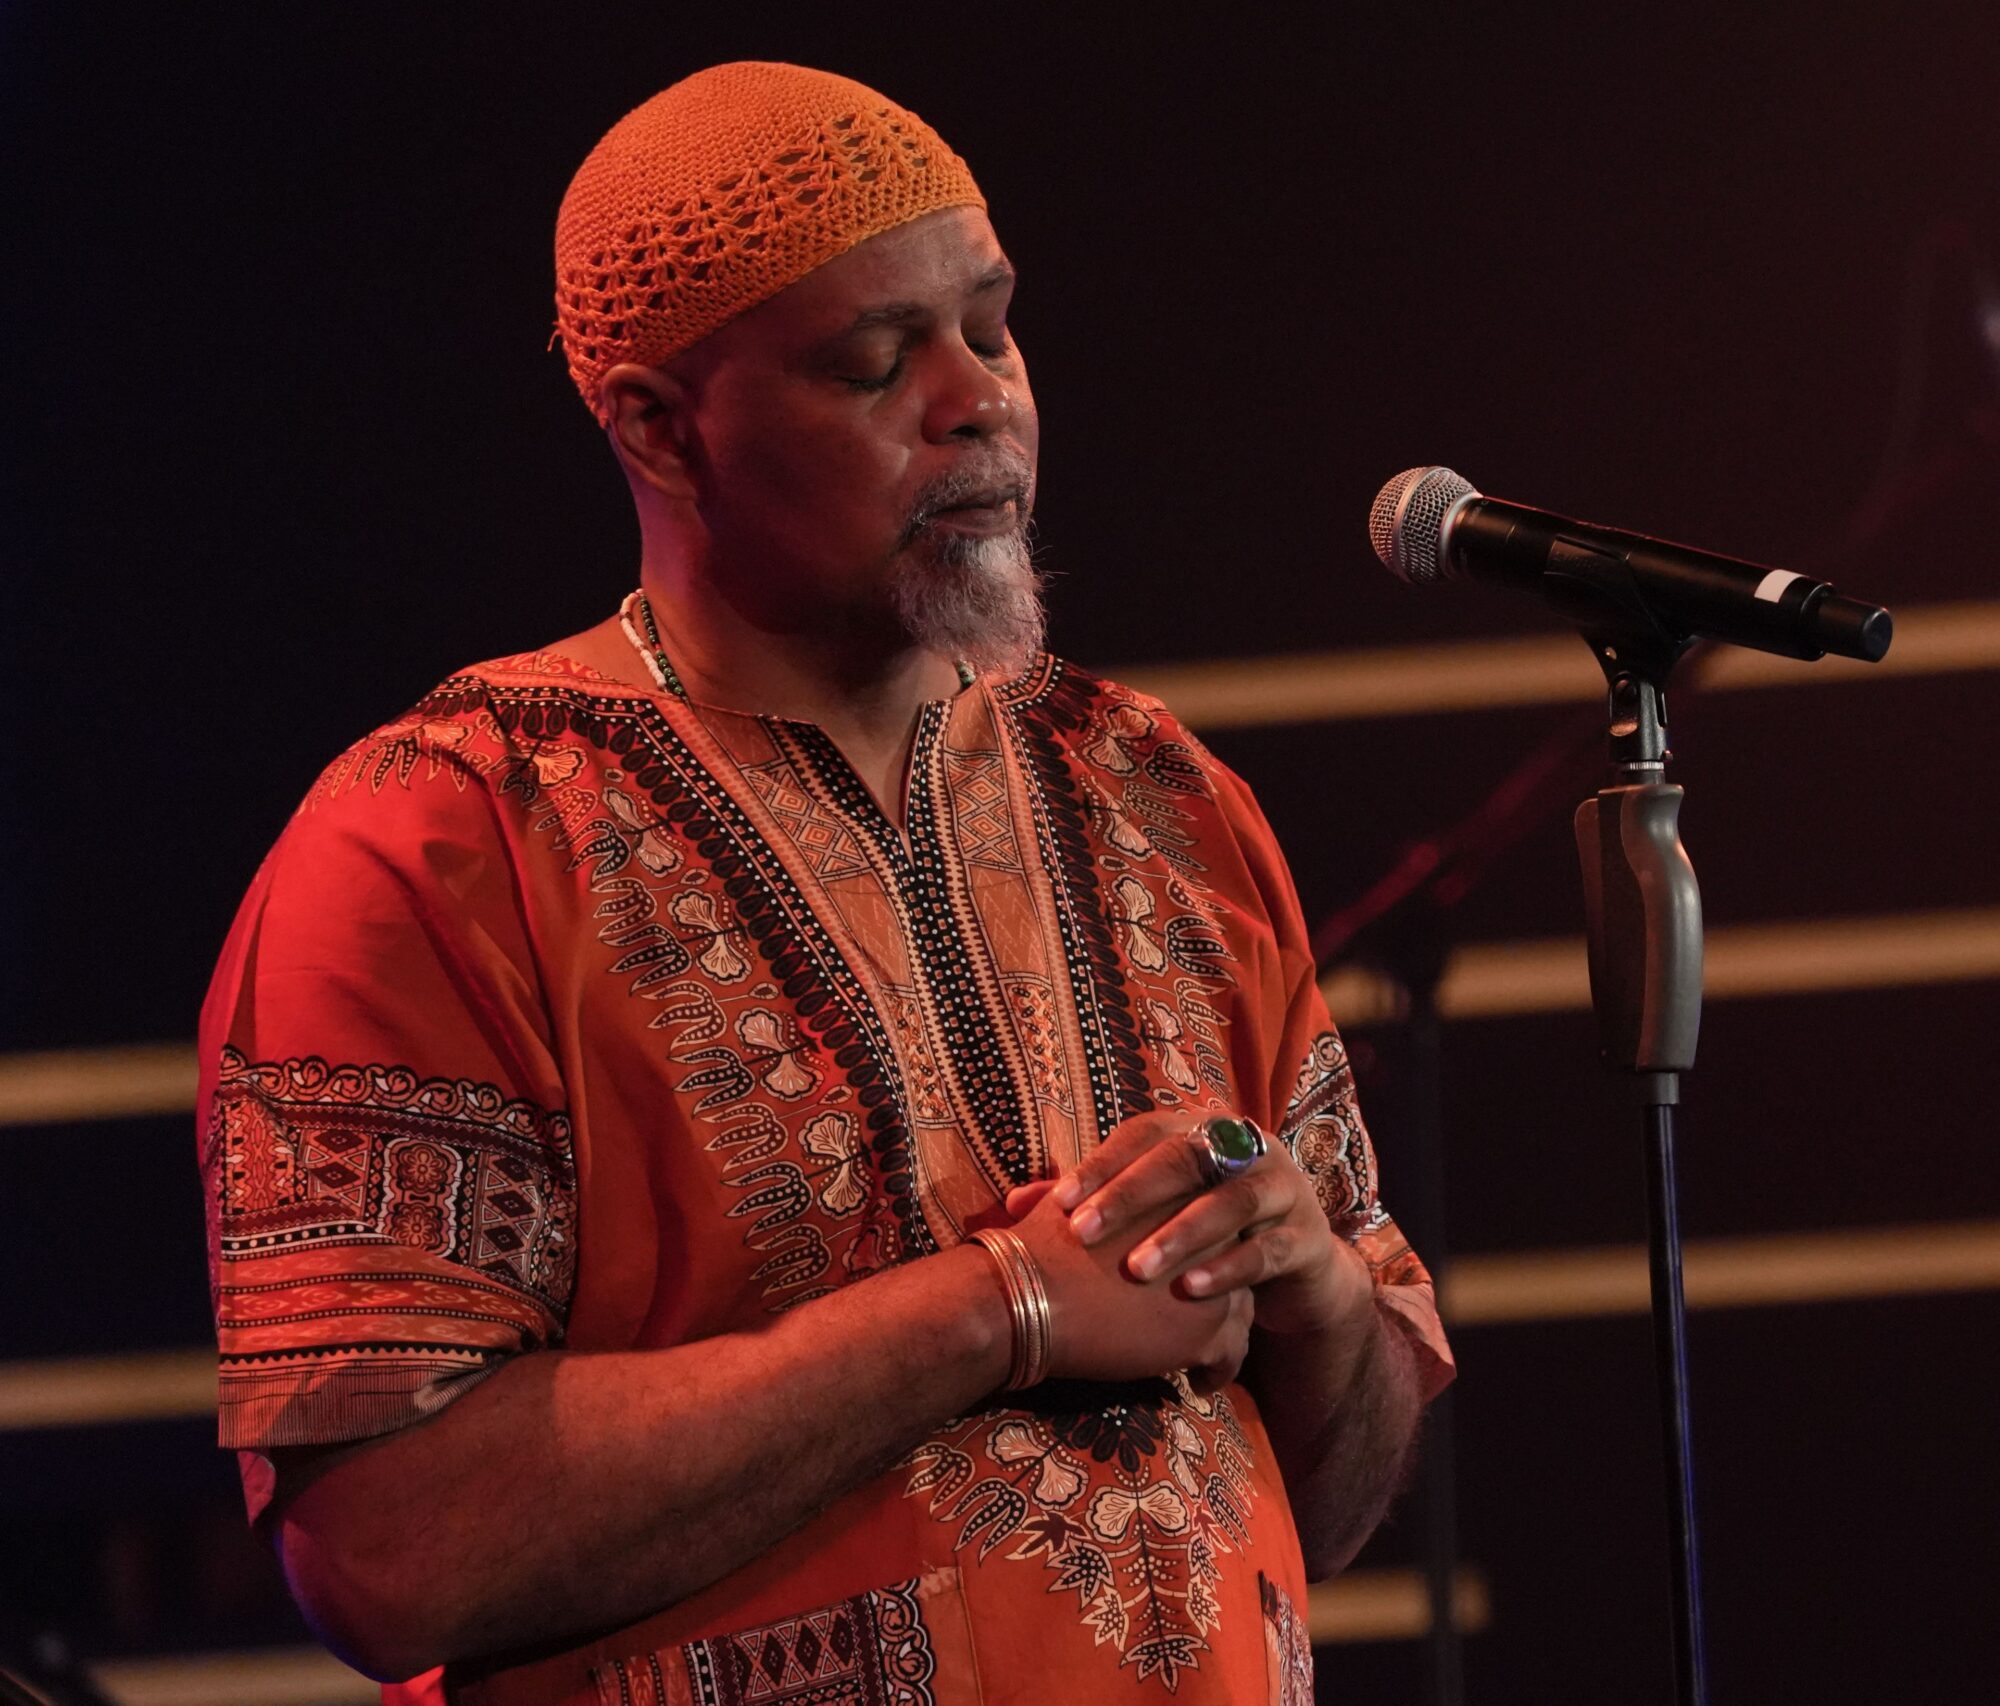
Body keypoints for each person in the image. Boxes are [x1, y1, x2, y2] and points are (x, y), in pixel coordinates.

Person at [195, 61, 1451, 1706]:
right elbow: (388, 1550)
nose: (976, 399)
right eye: (877, 359)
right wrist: (998, 1307)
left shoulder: (1160, 793)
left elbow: (1333, 1506)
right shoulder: (445, 838)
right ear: (660, 424)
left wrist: (1316, 1291)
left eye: (992, 328)